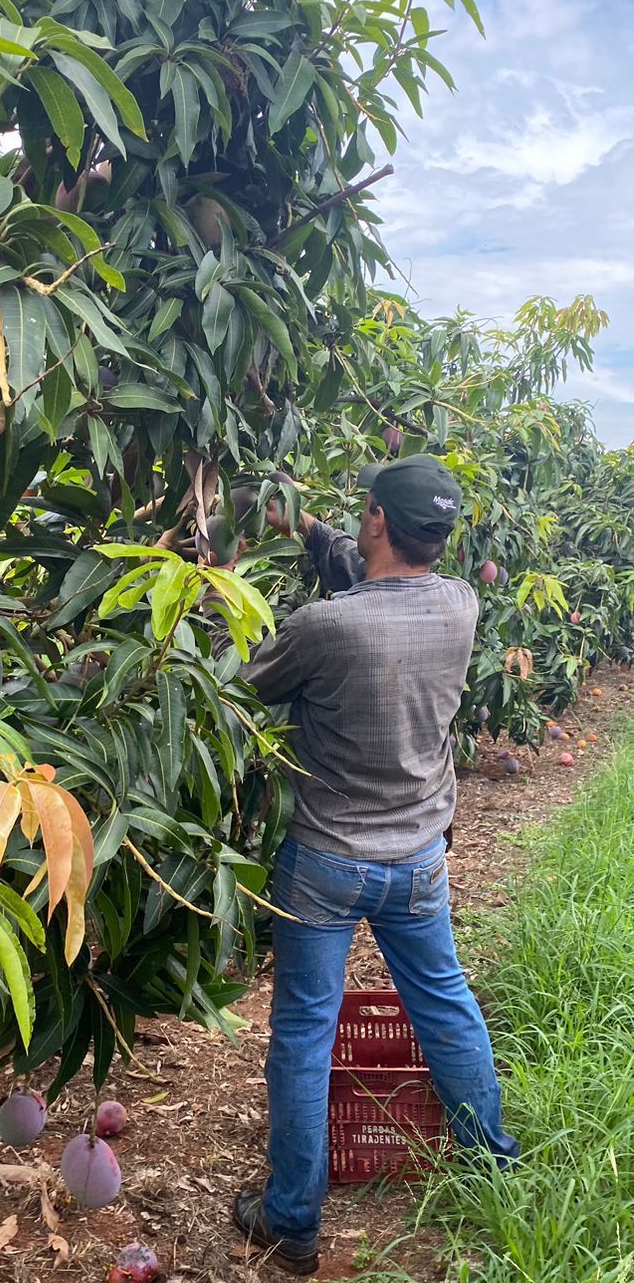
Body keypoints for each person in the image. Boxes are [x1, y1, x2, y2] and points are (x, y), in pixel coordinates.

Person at [231, 454, 519, 1276]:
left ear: (380, 520)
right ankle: (492, 1163)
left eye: (363, 514)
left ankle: (291, 1219)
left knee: (303, 1033)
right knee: (447, 1006)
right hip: (419, 855)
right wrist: (313, 530)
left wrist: (214, 589)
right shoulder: (461, 604)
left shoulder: (324, 627)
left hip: (326, 860)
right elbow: (374, 589)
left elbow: (245, 687)